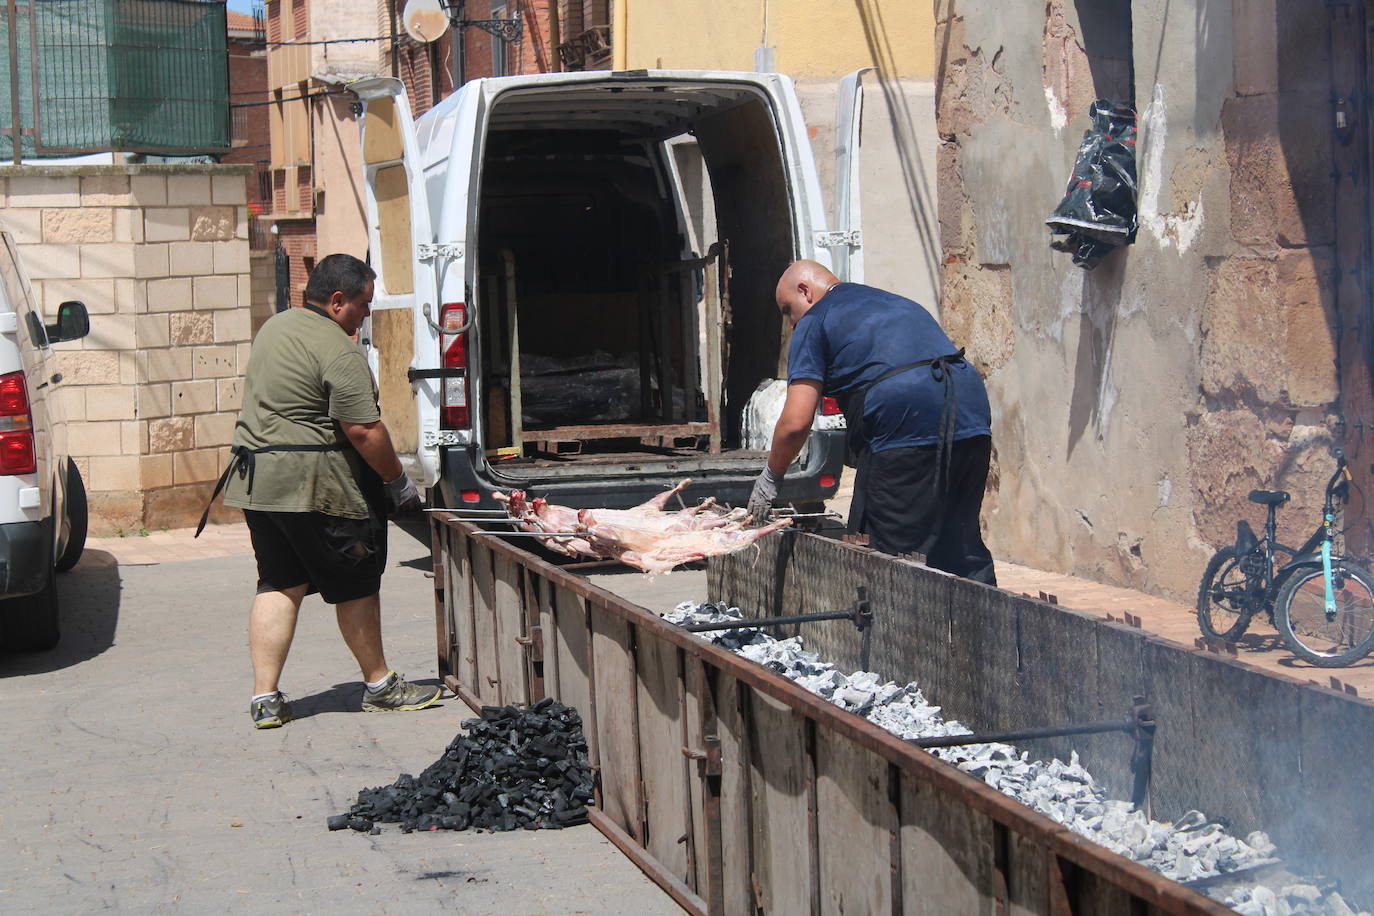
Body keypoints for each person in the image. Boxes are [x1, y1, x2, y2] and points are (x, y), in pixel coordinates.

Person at [209, 253, 440, 729]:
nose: (367, 314)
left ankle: (265, 698)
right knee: (356, 581)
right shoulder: (338, 349)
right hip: (315, 486)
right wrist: (397, 480)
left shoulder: (275, 327)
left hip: (258, 485)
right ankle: (380, 685)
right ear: (337, 301)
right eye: (363, 304)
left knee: (278, 581)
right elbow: (363, 430)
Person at [748, 260, 997, 585]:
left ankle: (898, 632)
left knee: (888, 556)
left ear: (805, 292)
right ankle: (984, 630)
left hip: (904, 422)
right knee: (960, 544)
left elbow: (796, 421)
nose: (792, 324)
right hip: (971, 415)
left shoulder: (816, 319)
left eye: (787, 310)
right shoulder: (893, 302)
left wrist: (771, 478)